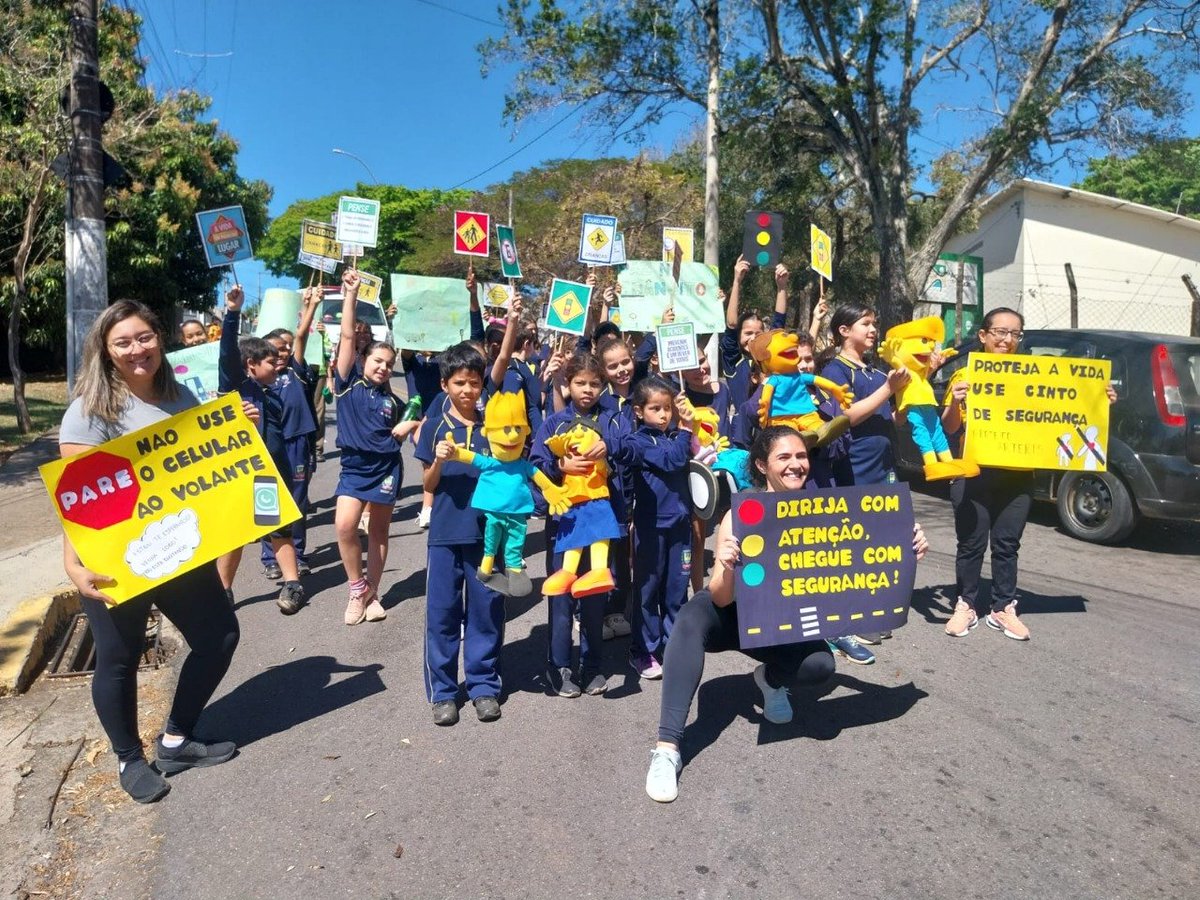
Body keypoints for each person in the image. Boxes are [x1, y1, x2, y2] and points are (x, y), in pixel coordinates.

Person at [644, 425, 930, 803]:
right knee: (689, 621)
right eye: (784, 457)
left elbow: (860, 576)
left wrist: (904, 548)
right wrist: (728, 565)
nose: (796, 465)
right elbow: (719, 596)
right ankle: (667, 749)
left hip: (780, 623)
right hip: (732, 613)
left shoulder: (830, 513)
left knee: (820, 666)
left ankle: (770, 679)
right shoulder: (743, 512)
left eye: (801, 456)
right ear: (762, 465)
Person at [59, 300, 243, 804]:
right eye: (123, 342)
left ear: (159, 339)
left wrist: (232, 428)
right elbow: (76, 499)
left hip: (177, 549)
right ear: (106, 350)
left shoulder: (179, 395)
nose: (136, 349)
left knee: (221, 635)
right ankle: (128, 759)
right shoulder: (90, 412)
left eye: (144, 337)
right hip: (115, 558)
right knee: (117, 661)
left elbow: (200, 464)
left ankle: (177, 740)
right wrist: (73, 562)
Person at [940, 307, 1117, 641]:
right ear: (983, 335)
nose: (1007, 340)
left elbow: (1069, 407)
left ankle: (1002, 608)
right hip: (973, 472)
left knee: (1007, 544)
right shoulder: (966, 375)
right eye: (1000, 332)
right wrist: (955, 402)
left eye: (1015, 334)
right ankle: (965, 604)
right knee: (971, 543)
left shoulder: (1036, 374)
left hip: (1018, 476)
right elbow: (951, 426)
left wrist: (1098, 398)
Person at [531, 352, 636, 698]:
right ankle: (558, 666)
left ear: (603, 385)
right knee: (561, 596)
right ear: (568, 384)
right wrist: (559, 463)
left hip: (602, 523)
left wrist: (610, 447)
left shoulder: (613, 419)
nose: (587, 390)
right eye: (580, 383)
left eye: (594, 384)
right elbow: (536, 461)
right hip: (565, 521)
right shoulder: (554, 423)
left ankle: (592, 666)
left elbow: (630, 448)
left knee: (593, 594)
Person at [418, 343, 507, 725]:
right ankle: (442, 691)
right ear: (444, 384)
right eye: (459, 383)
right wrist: (439, 459)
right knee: (442, 613)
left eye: (474, 382)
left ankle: (483, 686)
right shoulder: (435, 425)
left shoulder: (496, 424)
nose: (468, 390)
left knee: (486, 611)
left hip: (489, 534)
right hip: (445, 533)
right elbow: (428, 482)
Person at [820, 304, 911, 649]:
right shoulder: (836, 369)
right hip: (855, 468)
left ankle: (869, 611)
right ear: (844, 331)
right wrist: (888, 389)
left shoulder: (874, 371)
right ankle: (847, 618)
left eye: (874, 323)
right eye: (866, 324)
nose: (874, 330)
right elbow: (847, 416)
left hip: (884, 467)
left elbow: (893, 418)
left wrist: (915, 386)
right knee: (853, 545)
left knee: (877, 544)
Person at [331, 270, 419, 625]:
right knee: (345, 526)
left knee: (379, 532)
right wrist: (350, 294)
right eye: (377, 361)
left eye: (389, 364)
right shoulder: (346, 383)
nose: (383, 367)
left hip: (386, 470)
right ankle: (356, 587)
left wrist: (406, 427)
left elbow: (403, 431)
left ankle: (373, 593)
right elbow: (349, 335)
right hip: (354, 469)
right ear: (362, 361)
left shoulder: (391, 400)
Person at [216, 287, 307, 616]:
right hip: (239, 475)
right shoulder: (235, 388)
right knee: (235, 535)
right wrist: (232, 312)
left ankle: (292, 584)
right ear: (251, 365)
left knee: (278, 529)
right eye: (271, 361)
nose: (279, 364)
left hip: (269, 476)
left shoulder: (272, 394)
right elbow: (228, 353)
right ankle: (223, 591)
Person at [626, 376, 694, 680]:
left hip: (680, 526)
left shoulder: (675, 435)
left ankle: (674, 645)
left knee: (677, 589)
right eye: (656, 408)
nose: (664, 415)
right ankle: (644, 649)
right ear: (640, 411)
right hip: (651, 527)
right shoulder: (640, 441)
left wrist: (691, 427)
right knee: (647, 590)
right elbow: (672, 461)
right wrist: (686, 429)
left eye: (668, 408)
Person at [258, 288, 320, 580]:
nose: (279, 354)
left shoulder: (295, 371)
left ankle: (298, 553)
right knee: (268, 502)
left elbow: (301, 335)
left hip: (298, 445)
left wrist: (312, 304)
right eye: (271, 352)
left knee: (297, 501)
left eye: (283, 349)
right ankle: (270, 557)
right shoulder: (258, 381)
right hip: (269, 447)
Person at [720, 256, 790, 414]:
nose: (753, 338)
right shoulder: (733, 361)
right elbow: (731, 325)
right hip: (744, 432)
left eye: (758, 333)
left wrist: (782, 287)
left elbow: (778, 323)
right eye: (747, 333)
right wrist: (737, 281)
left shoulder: (769, 359)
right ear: (738, 336)